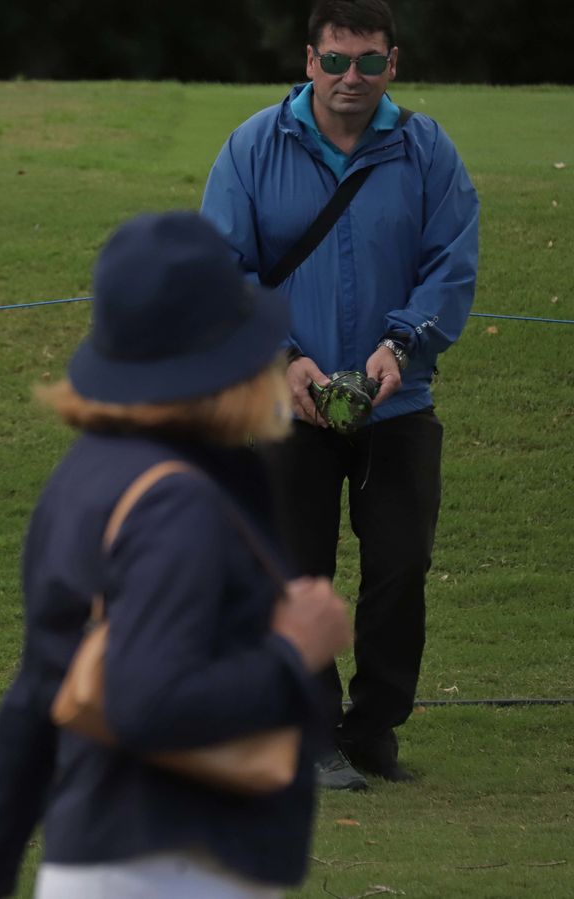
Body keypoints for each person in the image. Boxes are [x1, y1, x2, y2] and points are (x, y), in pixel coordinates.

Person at [0, 212, 355, 899]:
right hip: (178, 864)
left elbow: (38, 693)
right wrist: (293, 652)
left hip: (101, 858)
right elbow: (149, 702)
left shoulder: (84, 477)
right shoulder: (177, 502)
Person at [200, 0, 479, 789]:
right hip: (288, 400)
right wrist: (284, 358)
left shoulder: (428, 151)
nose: (348, 78)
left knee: (401, 566)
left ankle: (374, 729)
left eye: (367, 62)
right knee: (298, 570)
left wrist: (402, 343)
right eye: (334, 61)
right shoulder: (254, 146)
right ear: (308, 59)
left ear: (393, 64)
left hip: (399, 397)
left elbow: (451, 262)